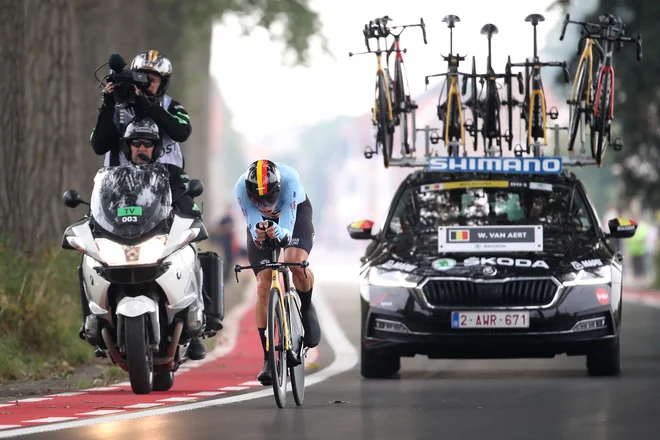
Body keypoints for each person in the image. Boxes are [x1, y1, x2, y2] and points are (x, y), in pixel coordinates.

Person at [79, 118, 218, 361]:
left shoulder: (171, 173)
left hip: (160, 238)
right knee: (86, 259)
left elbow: (187, 203)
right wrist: (91, 220)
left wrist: (191, 215)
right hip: (120, 240)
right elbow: (100, 209)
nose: (141, 148)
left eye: (148, 143)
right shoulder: (113, 178)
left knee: (193, 249)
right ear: (127, 146)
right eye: (136, 143)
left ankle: (198, 324)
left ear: (156, 147)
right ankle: (92, 321)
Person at [234, 160, 322, 385]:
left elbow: (287, 228)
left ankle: (306, 304)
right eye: (257, 200)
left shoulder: (290, 180)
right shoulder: (241, 189)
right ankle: (267, 358)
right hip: (265, 225)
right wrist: (259, 234)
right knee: (263, 286)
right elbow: (254, 224)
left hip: (295, 216)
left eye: (269, 199)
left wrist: (278, 234)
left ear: (278, 190)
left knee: (294, 263)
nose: (264, 205)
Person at [90, 50, 191, 169]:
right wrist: (108, 106)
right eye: (142, 79)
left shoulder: (170, 106)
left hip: (167, 182)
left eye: (152, 81)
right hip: (120, 183)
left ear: (163, 84)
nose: (147, 85)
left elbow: (182, 133)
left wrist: (149, 107)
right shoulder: (118, 109)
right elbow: (99, 147)